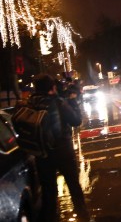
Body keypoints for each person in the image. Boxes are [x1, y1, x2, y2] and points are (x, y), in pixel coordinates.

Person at [28, 74, 90, 222]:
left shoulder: (29, 104)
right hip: (63, 151)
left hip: (41, 154)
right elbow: (76, 121)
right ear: (52, 88)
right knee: (74, 188)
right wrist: (73, 101)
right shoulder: (58, 103)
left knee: (48, 194)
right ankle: (83, 217)